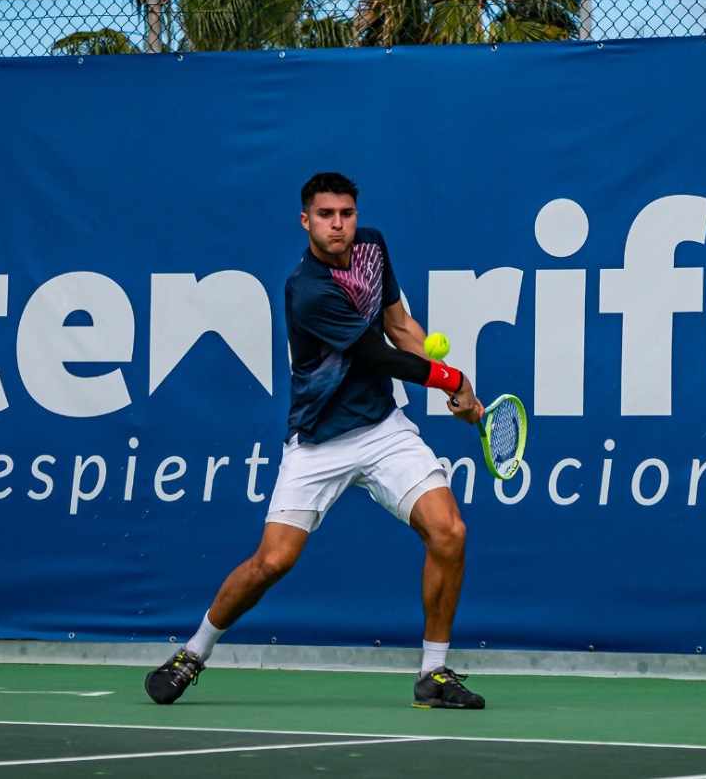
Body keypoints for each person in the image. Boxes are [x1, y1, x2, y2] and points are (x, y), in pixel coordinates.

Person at [145, 172, 487, 710]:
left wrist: (451, 378)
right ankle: (194, 651)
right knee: (273, 562)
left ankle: (434, 674)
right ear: (306, 220)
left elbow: (399, 325)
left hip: (382, 429)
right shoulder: (306, 290)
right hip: (318, 442)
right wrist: (453, 382)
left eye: (346, 214)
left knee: (449, 532)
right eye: (326, 215)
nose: (338, 225)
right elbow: (374, 354)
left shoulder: (372, 247)